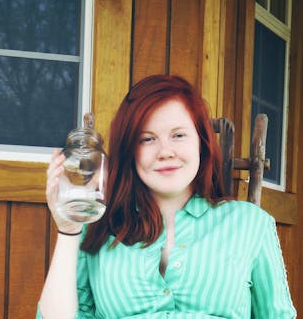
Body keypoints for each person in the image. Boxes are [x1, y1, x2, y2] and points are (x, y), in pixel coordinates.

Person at [37, 74, 296, 318]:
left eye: (178, 135)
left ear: (201, 142)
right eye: (147, 139)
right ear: (131, 151)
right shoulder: (98, 227)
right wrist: (68, 229)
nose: (165, 151)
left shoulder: (250, 224)